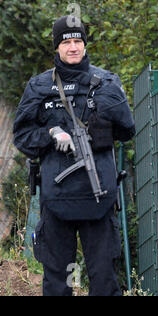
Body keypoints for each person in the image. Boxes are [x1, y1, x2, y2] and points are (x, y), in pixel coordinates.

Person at [13, 16, 135, 296]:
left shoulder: (106, 82)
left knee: (104, 279)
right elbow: (22, 136)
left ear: (84, 44)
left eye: (77, 41)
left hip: (99, 197)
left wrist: (104, 121)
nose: (72, 47)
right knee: (57, 282)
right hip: (56, 199)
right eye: (66, 42)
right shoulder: (40, 86)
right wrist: (52, 134)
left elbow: (127, 130)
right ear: (57, 47)